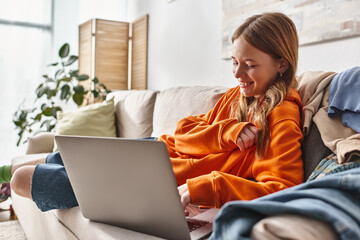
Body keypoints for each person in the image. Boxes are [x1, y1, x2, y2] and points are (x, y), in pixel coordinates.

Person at [0, 12, 303, 212]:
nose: (238, 74)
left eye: (250, 65)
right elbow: (183, 132)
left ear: (282, 64)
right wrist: (224, 132)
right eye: (234, 63)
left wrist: (211, 186)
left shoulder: (280, 115)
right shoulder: (236, 96)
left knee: (22, 179)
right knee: (58, 157)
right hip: (155, 149)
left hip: (154, 179)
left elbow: (280, 191)